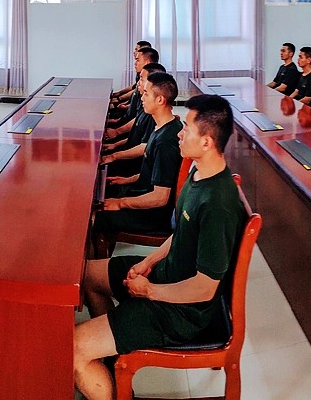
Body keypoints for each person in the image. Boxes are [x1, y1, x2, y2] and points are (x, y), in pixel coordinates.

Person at [73, 95, 244, 400]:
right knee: (85, 275)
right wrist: (149, 261)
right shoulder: (198, 172)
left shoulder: (218, 204)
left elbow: (205, 288)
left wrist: (149, 291)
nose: (180, 132)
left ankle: (105, 359)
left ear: (206, 142)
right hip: (164, 276)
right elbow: (181, 234)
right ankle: (112, 352)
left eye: (187, 128)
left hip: (181, 312)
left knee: (74, 347)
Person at [95, 73, 185, 236]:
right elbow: (153, 172)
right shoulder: (162, 127)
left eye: (146, 94)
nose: (141, 98)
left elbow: (160, 197)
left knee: (93, 217)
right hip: (140, 193)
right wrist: (126, 180)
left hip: (150, 216)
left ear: (160, 100)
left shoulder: (166, 142)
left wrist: (120, 203)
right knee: (101, 193)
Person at [111, 42, 152, 107]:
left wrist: (119, 99)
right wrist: (120, 93)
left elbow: (136, 92)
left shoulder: (149, 75)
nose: (134, 52)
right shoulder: (141, 71)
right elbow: (134, 87)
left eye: (136, 50)